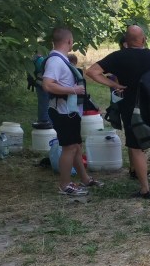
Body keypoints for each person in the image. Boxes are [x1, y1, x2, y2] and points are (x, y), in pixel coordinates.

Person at [85, 25, 150, 199]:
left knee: (136, 148)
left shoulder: (118, 57)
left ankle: (145, 189)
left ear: (126, 41)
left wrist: (114, 85)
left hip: (132, 109)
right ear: (143, 39)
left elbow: (92, 71)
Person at [41, 27, 103, 198]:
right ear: (69, 41)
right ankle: (65, 184)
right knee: (69, 148)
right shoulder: (55, 61)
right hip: (63, 112)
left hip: (70, 111)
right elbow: (47, 85)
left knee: (76, 146)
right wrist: (73, 90)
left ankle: (84, 179)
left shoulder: (62, 60)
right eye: (72, 40)